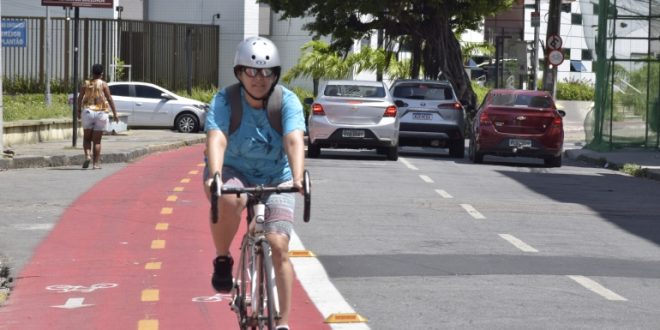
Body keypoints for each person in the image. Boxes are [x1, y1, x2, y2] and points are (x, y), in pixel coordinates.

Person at [203, 36, 306, 330]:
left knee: (278, 244)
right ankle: (223, 259)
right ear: (239, 72)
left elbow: (293, 139)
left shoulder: (287, 101)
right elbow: (218, 137)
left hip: (277, 176)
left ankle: (283, 323)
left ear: (275, 75)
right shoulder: (225, 100)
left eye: (267, 72)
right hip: (233, 169)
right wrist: (216, 176)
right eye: (252, 71)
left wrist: (298, 178)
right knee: (229, 199)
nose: (259, 79)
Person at [76, 64, 118, 169]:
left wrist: (78, 110)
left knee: (86, 138)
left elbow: (80, 98)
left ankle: (87, 156)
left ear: (92, 73)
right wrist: (115, 113)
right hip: (101, 113)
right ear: (102, 74)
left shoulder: (86, 84)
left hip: (88, 112)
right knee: (97, 141)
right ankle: (95, 164)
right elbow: (109, 98)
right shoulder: (103, 84)